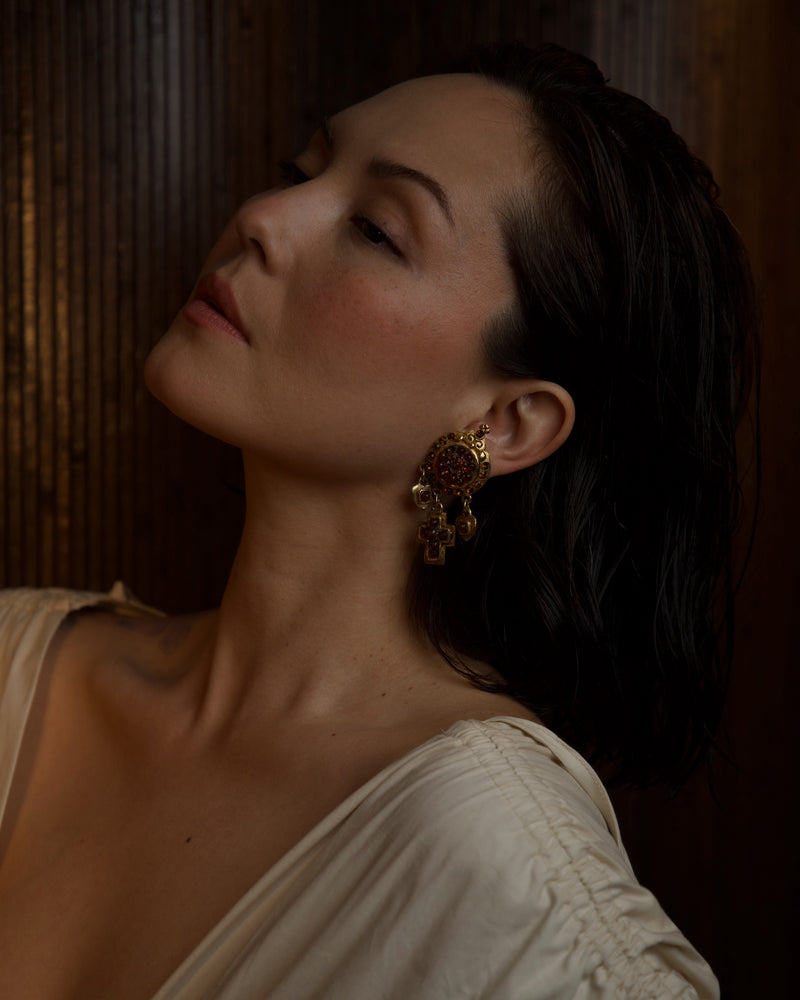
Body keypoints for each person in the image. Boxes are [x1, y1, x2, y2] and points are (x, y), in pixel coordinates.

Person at [0, 42, 756, 1000]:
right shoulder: (15, 663)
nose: (262, 216)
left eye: (376, 229)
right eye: (300, 173)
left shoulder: (508, 894)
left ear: (506, 421)